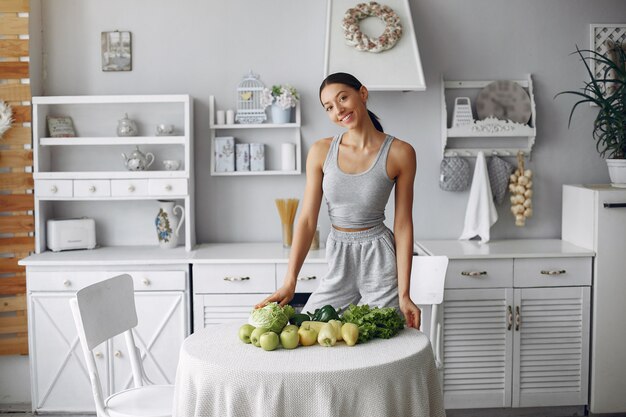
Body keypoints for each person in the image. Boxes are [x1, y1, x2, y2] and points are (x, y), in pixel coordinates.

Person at [255, 72, 421, 329]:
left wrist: (405, 294)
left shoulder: (401, 153)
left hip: (379, 257)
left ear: (362, 94)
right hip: (339, 255)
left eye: (343, 98)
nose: (338, 110)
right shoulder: (321, 151)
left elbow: (403, 225)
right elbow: (308, 221)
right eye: (329, 107)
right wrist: (290, 281)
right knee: (307, 329)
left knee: (378, 338)